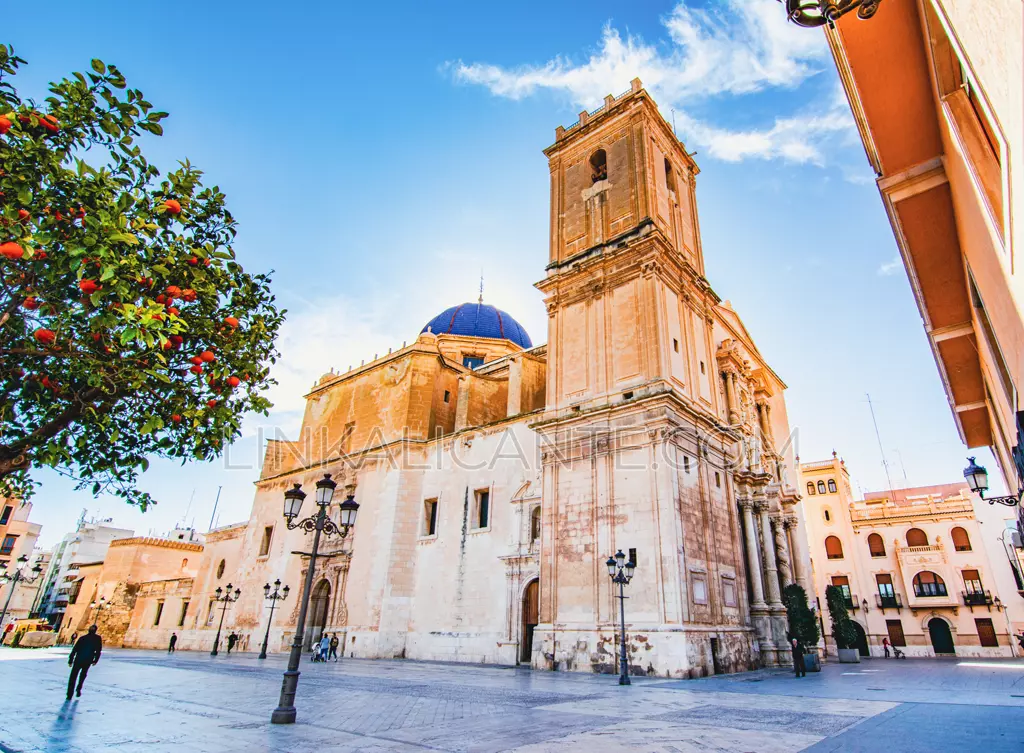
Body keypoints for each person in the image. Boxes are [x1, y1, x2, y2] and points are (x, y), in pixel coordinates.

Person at [67, 625, 102, 700]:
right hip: (88, 660)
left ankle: (69, 694)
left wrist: (71, 660)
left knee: (73, 676)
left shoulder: (82, 638)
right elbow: (98, 651)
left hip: (78, 659)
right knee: (83, 675)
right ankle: (79, 688)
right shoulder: (97, 639)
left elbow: (75, 649)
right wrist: (95, 660)